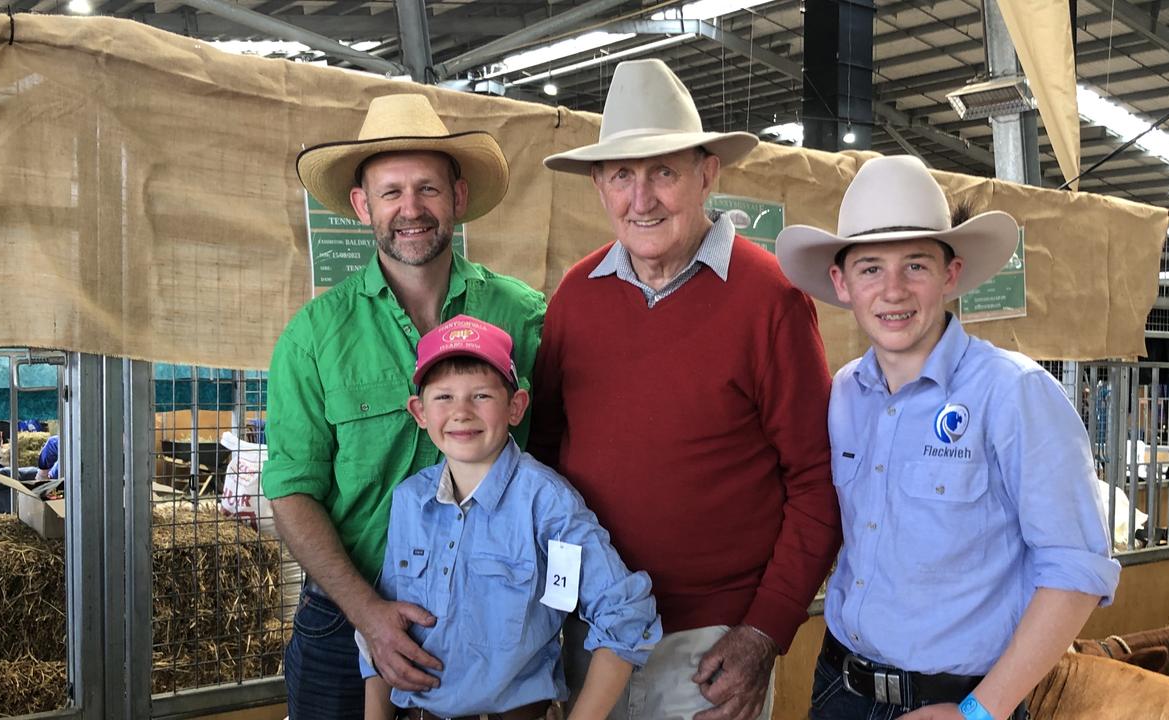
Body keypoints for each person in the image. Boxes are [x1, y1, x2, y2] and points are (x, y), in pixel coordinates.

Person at [533, 58, 841, 720]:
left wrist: (764, 631)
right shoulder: (574, 299)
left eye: (663, 172)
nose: (641, 199)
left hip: (710, 651)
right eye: (622, 176)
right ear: (598, 185)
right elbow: (545, 458)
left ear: (708, 174)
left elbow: (817, 479)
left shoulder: (770, 299)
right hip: (593, 632)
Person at [774, 155, 1121, 720]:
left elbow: (1077, 570)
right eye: (869, 269)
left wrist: (980, 712)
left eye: (915, 265)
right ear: (841, 284)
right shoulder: (844, 396)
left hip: (962, 699)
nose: (893, 291)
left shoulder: (1014, 393)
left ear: (950, 274)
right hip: (841, 688)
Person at [263, 93, 546, 719]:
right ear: (362, 205)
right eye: (390, 193)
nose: (411, 210)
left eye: (428, 189)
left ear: (459, 198)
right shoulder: (314, 336)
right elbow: (290, 490)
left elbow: (550, 463)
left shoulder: (524, 317)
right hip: (344, 620)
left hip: (492, 622)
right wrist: (368, 613)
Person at [360, 315, 662, 720]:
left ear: (516, 406)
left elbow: (626, 615)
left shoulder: (546, 502)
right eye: (443, 397)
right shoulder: (409, 501)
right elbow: (383, 631)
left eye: (481, 396)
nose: (461, 412)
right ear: (419, 411)